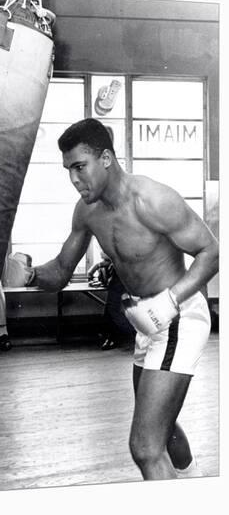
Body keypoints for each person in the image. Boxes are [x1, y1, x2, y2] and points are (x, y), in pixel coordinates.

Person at [25, 118, 218, 480]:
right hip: (147, 322)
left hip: (178, 317)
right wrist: (30, 275)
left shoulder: (152, 201)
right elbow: (62, 271)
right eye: (69, 170)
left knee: (145, 447)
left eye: (80, 167)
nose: (74, 179)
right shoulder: (87, 211)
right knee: (163, 423)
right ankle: (192, 483)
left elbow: (212, 252)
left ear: (107, 158)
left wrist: (171, 301)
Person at [88, 254, 136, 350]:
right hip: (117, 281)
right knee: (109, 311)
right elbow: (104, 256)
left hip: (121, 281)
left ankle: (133, 335)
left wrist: (99, 265)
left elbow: (107, 256)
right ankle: (111, 336)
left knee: (113, 311)